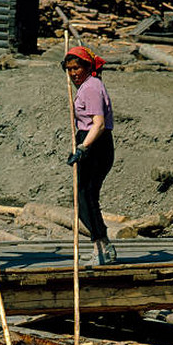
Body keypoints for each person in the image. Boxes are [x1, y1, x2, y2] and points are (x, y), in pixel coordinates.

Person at [62, 46, 117, 265]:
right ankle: (102, 246)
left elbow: (99, 123)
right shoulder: (86, 86)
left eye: (77, 68)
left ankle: (102, 246)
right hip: (88, 140)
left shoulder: (91, 87)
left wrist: (83, 147)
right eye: (69, 69)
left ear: (87, 67)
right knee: (84, 197)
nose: (73, 73)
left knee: (86, 197)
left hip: (95, 143)